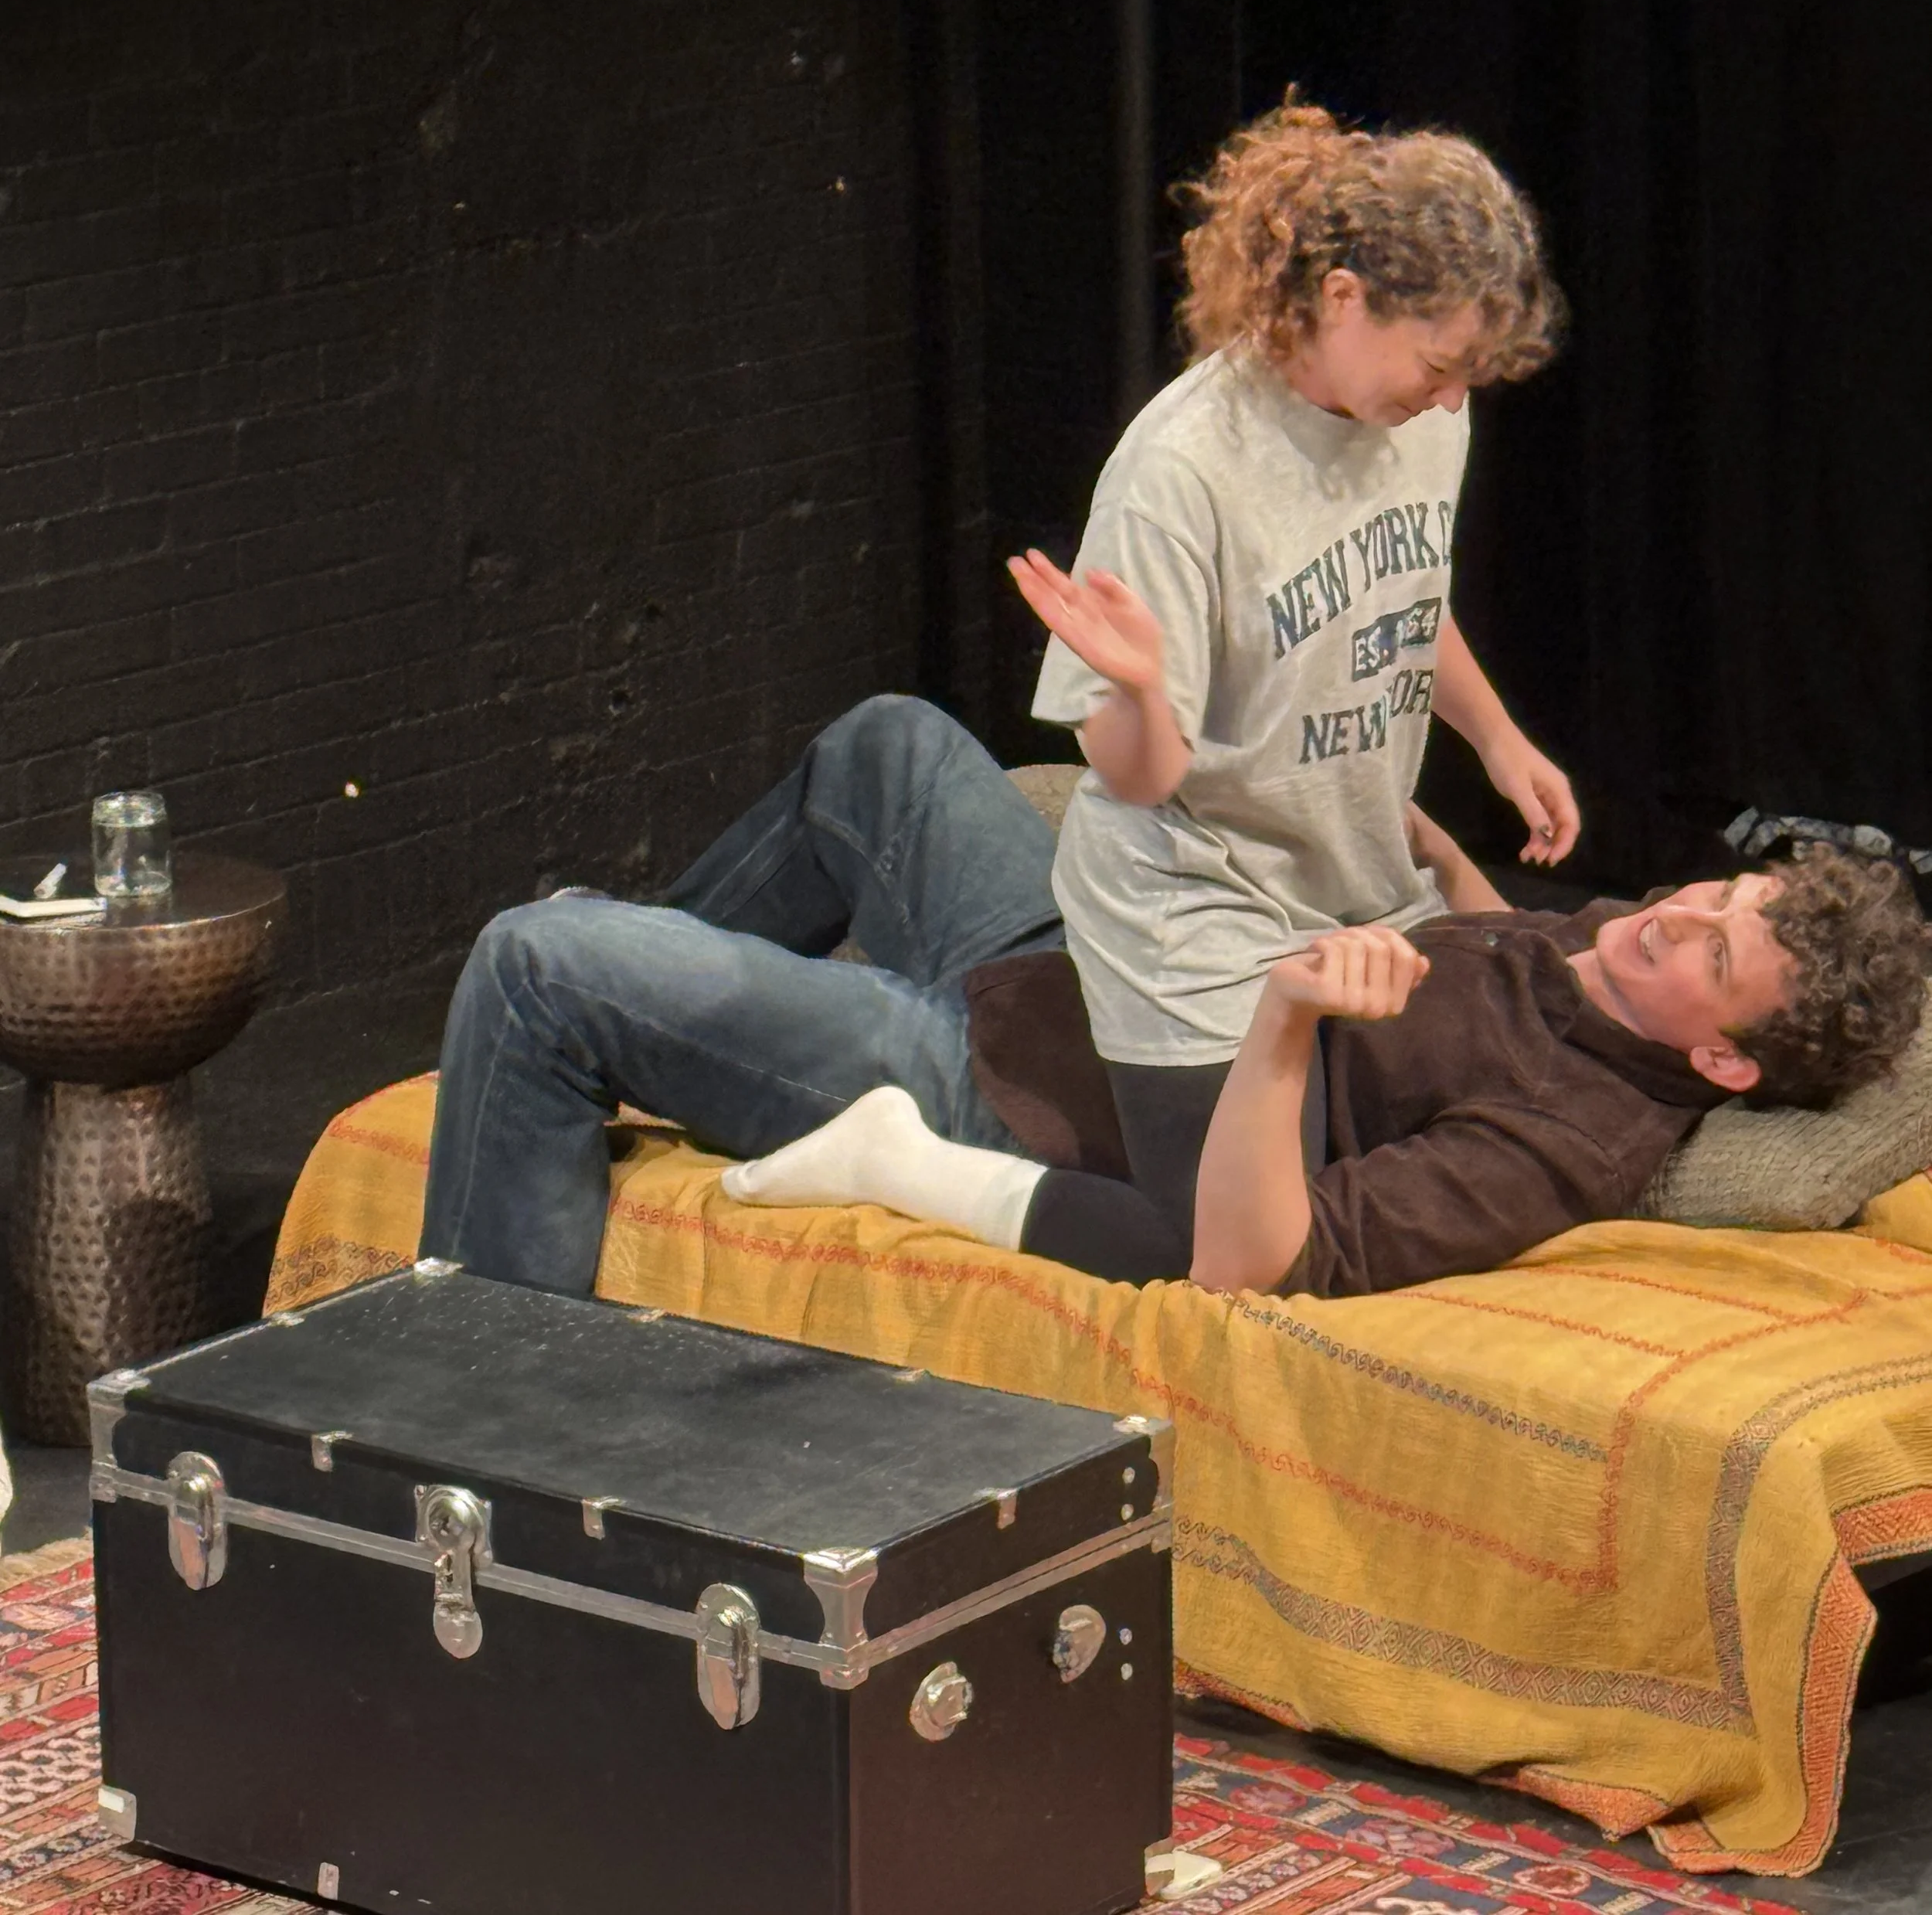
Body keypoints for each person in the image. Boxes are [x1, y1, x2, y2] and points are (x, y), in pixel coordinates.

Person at [420, 696, 1929, 1301]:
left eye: (1709, 952)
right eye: (1715, 893)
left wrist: (1281, 1020)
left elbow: (1267, 1256)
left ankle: (476, 1442)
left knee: (533, 958)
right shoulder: (1611, 956)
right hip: (1063, 963)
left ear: (1723, 1061)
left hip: (1005, 1092)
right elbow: (1509, 972)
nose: (1672, 913)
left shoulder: (1562, 1145)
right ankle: (620, 1026)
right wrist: (1432, 853)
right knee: (886, 747)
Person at [1005, 91, 1575, 1267]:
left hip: (1353, 888)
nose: (1453, 396)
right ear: (1342, 299)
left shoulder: (1423, 419)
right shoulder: (1183, 474)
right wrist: (1144, 689)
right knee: (1225, 1247)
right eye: (1441, 362)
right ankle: (904, 1149)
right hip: (1199, 905)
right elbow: (1140, 778)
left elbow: (1398, 591)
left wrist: (1497, 737)